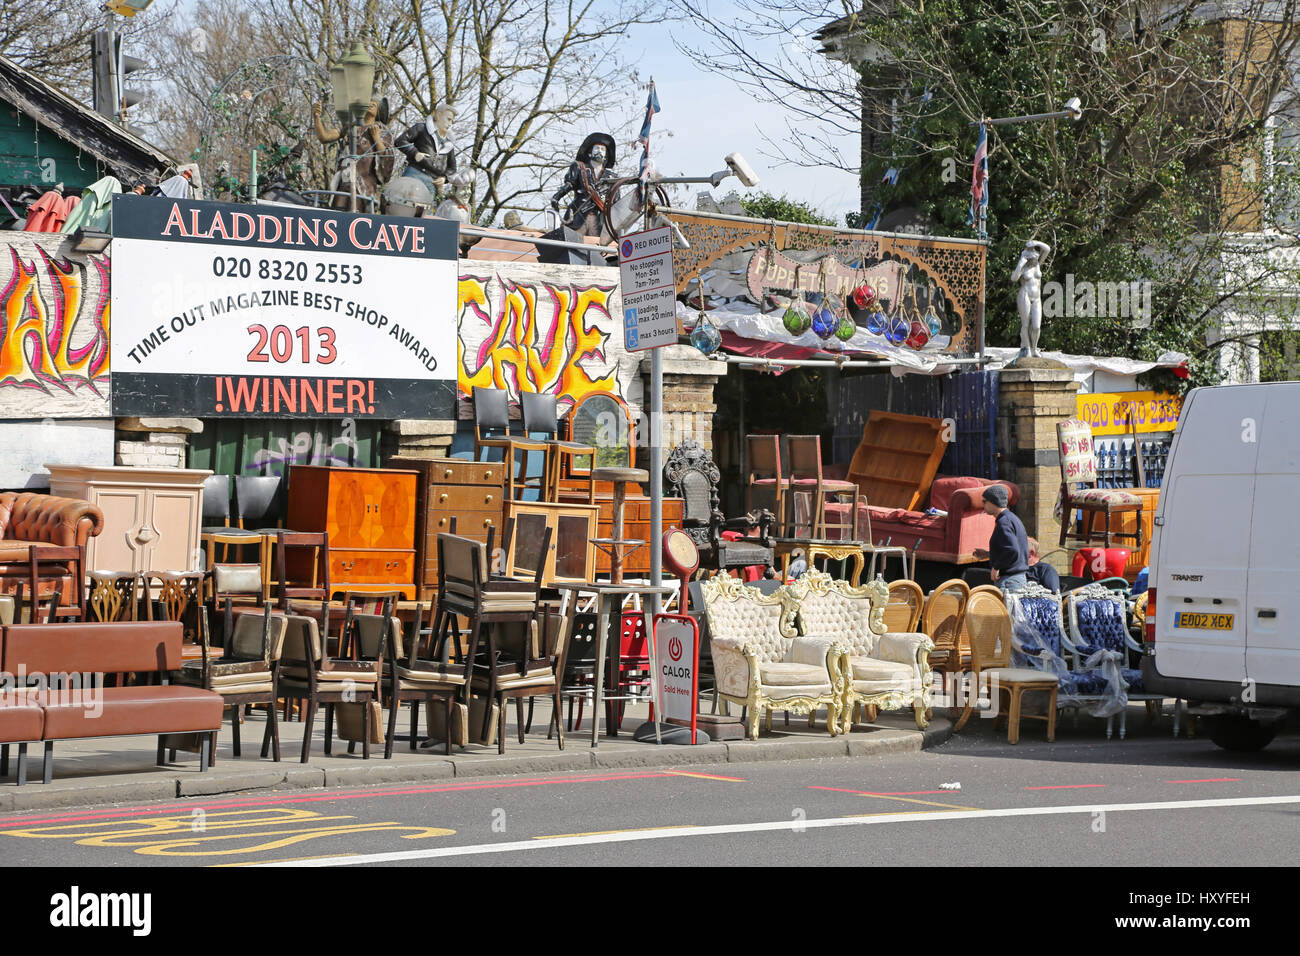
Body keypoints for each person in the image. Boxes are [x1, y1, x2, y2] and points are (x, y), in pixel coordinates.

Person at [973, 484, 1030, 595]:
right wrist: (989, 554)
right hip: (1016, 579)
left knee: (1008, 612)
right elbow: (1011, 550)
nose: (982, 504)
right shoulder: (1011, 519)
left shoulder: (1004, 522)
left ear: (994, 502)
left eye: (984, 501)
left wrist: (996, 567)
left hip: (1010, 581)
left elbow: (1012, 550)